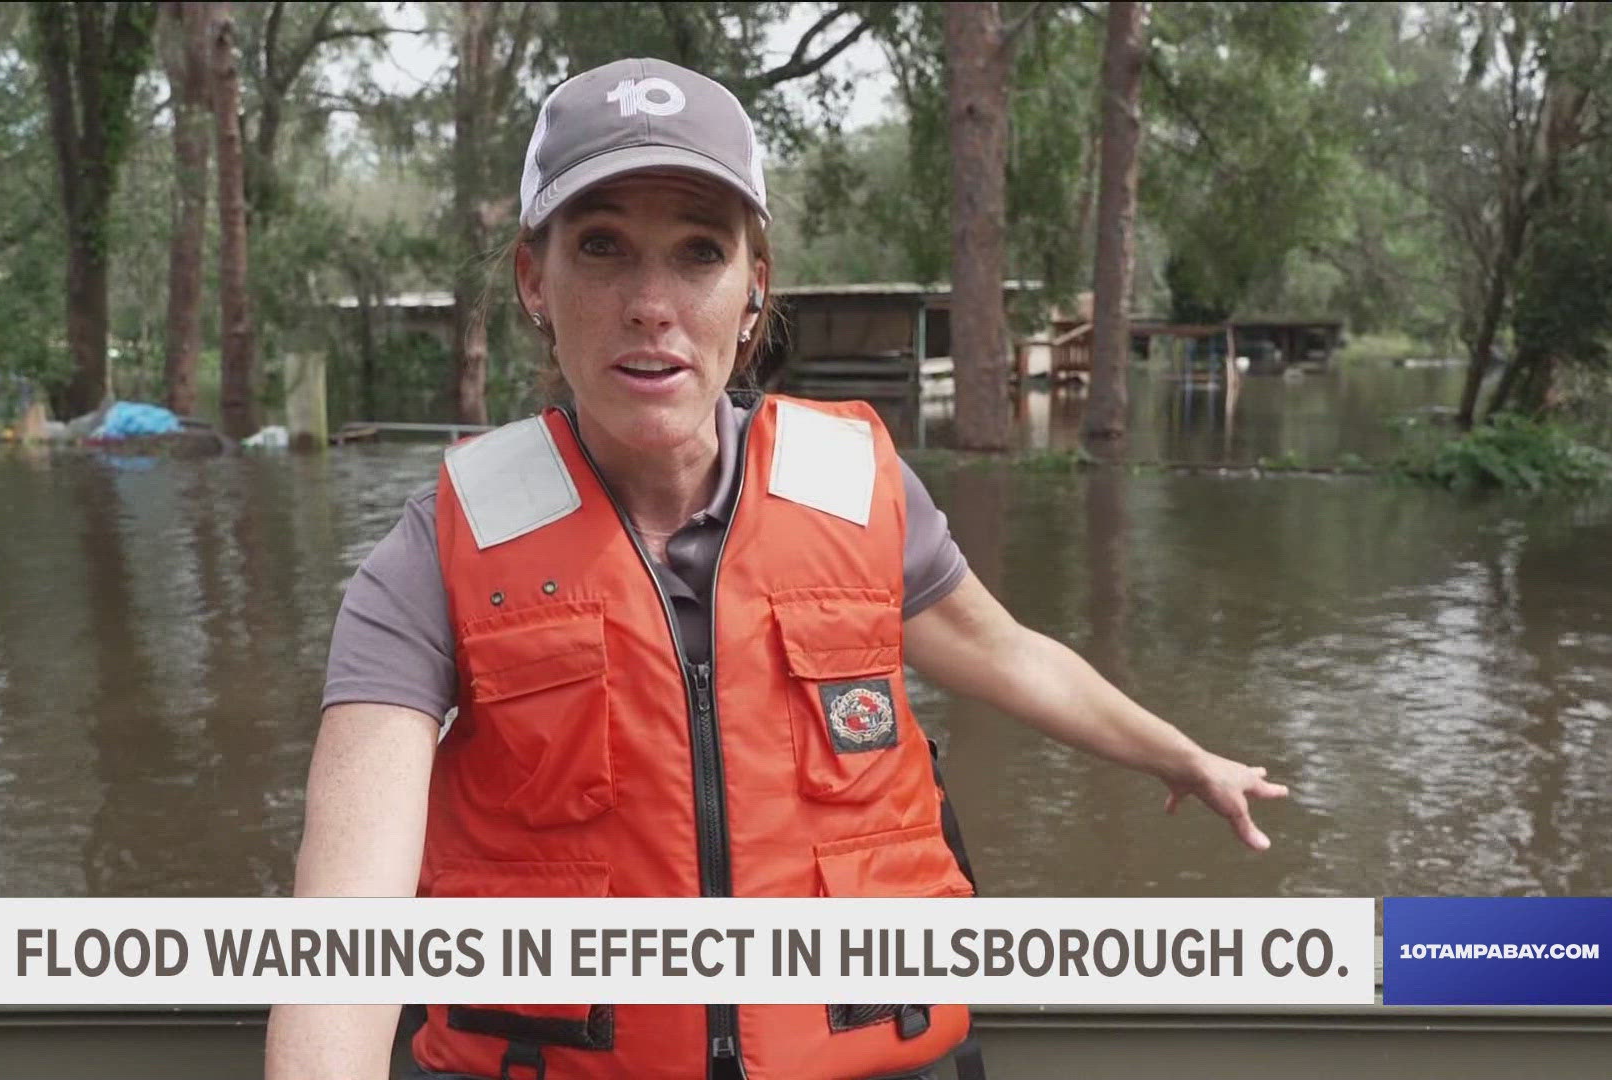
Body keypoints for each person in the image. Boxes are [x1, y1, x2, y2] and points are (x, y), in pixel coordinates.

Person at [265, 57, 1288, 1080]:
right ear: (537, 279)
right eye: (604, 247)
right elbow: (346, 924)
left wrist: (1179, 757)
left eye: (699, 254)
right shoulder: (433, 558)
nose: (652, 305)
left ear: (755, 288)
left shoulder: (852, 487)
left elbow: (1007, 652)